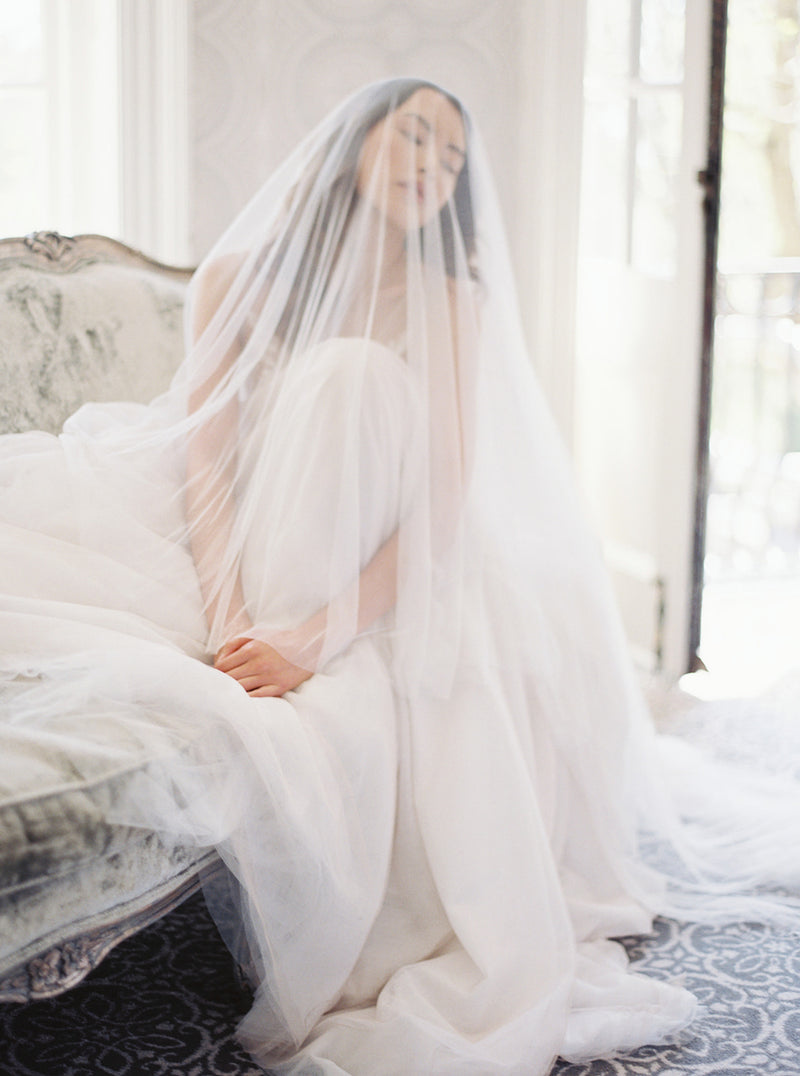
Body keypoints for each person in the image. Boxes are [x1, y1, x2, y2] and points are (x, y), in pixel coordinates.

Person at [1, 78, 798, 1076]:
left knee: (362, 390)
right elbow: (206, 460)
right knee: (335, 384)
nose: (434, 164)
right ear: (356, 141)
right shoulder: (239, 275)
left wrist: (321, 631)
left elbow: (441, 504)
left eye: (453, 158)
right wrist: (236, 616)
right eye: (415, 136)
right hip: (253, 544)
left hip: (382, 561)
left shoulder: (447, 296)